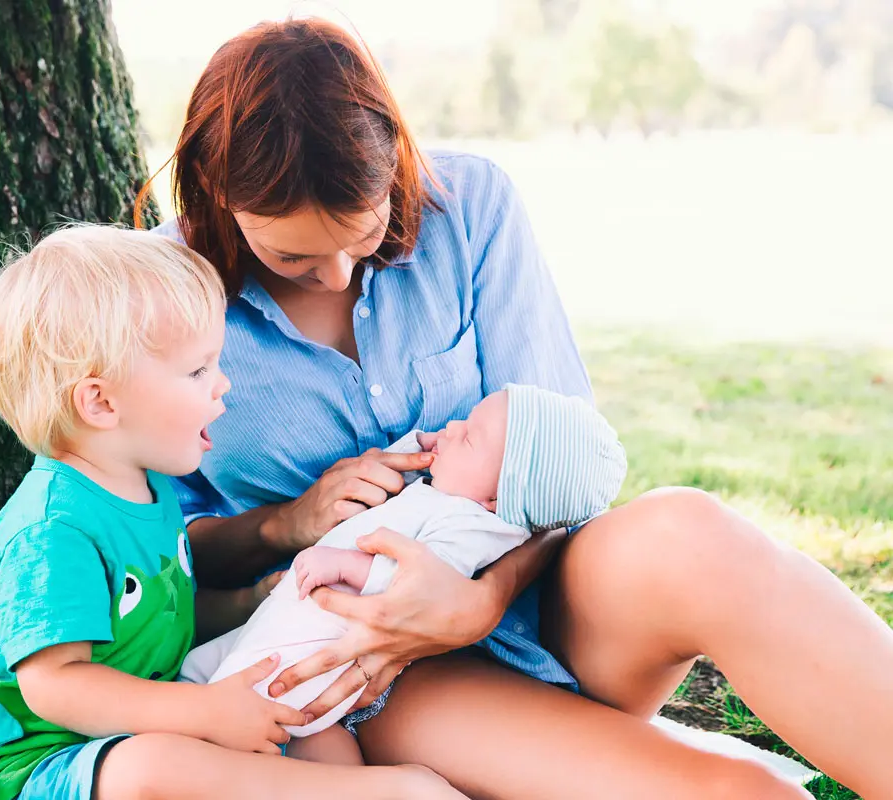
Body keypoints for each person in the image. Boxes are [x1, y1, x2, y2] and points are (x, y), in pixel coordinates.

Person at [141, 16, 893, 799]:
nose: (334, 277)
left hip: (547, 595)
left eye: (360, 240)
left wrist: (478, 600)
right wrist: (287, 523)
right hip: (379, 665)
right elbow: (157, 565)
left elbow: (562, 457)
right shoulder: (160, 297)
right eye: (291, 256)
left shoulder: (466, 208)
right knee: (739, 795)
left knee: (691, 533)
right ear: (219, 194)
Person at [0, 225, 465, 800]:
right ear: (101, 402)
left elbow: (164, 613)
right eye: (197, 371)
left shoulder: (149, 488)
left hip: (150, 715)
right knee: (152, 771)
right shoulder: (52, 530)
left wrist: (250, 604)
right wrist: (207, 711)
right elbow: (56, 688)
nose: (222, 384)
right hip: (31, 764)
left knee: (305, 723)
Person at [180, 385, 626, 762]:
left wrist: (342, 564)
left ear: (497, 500)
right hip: (287, 618)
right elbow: (412, 465)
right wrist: (424, 446)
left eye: (468, 437)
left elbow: (410, 584)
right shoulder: (450, 492)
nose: (451, 428)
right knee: (202, 670)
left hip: (320, 642)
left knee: (246, 694)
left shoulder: (472, 527)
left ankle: (209, 757)